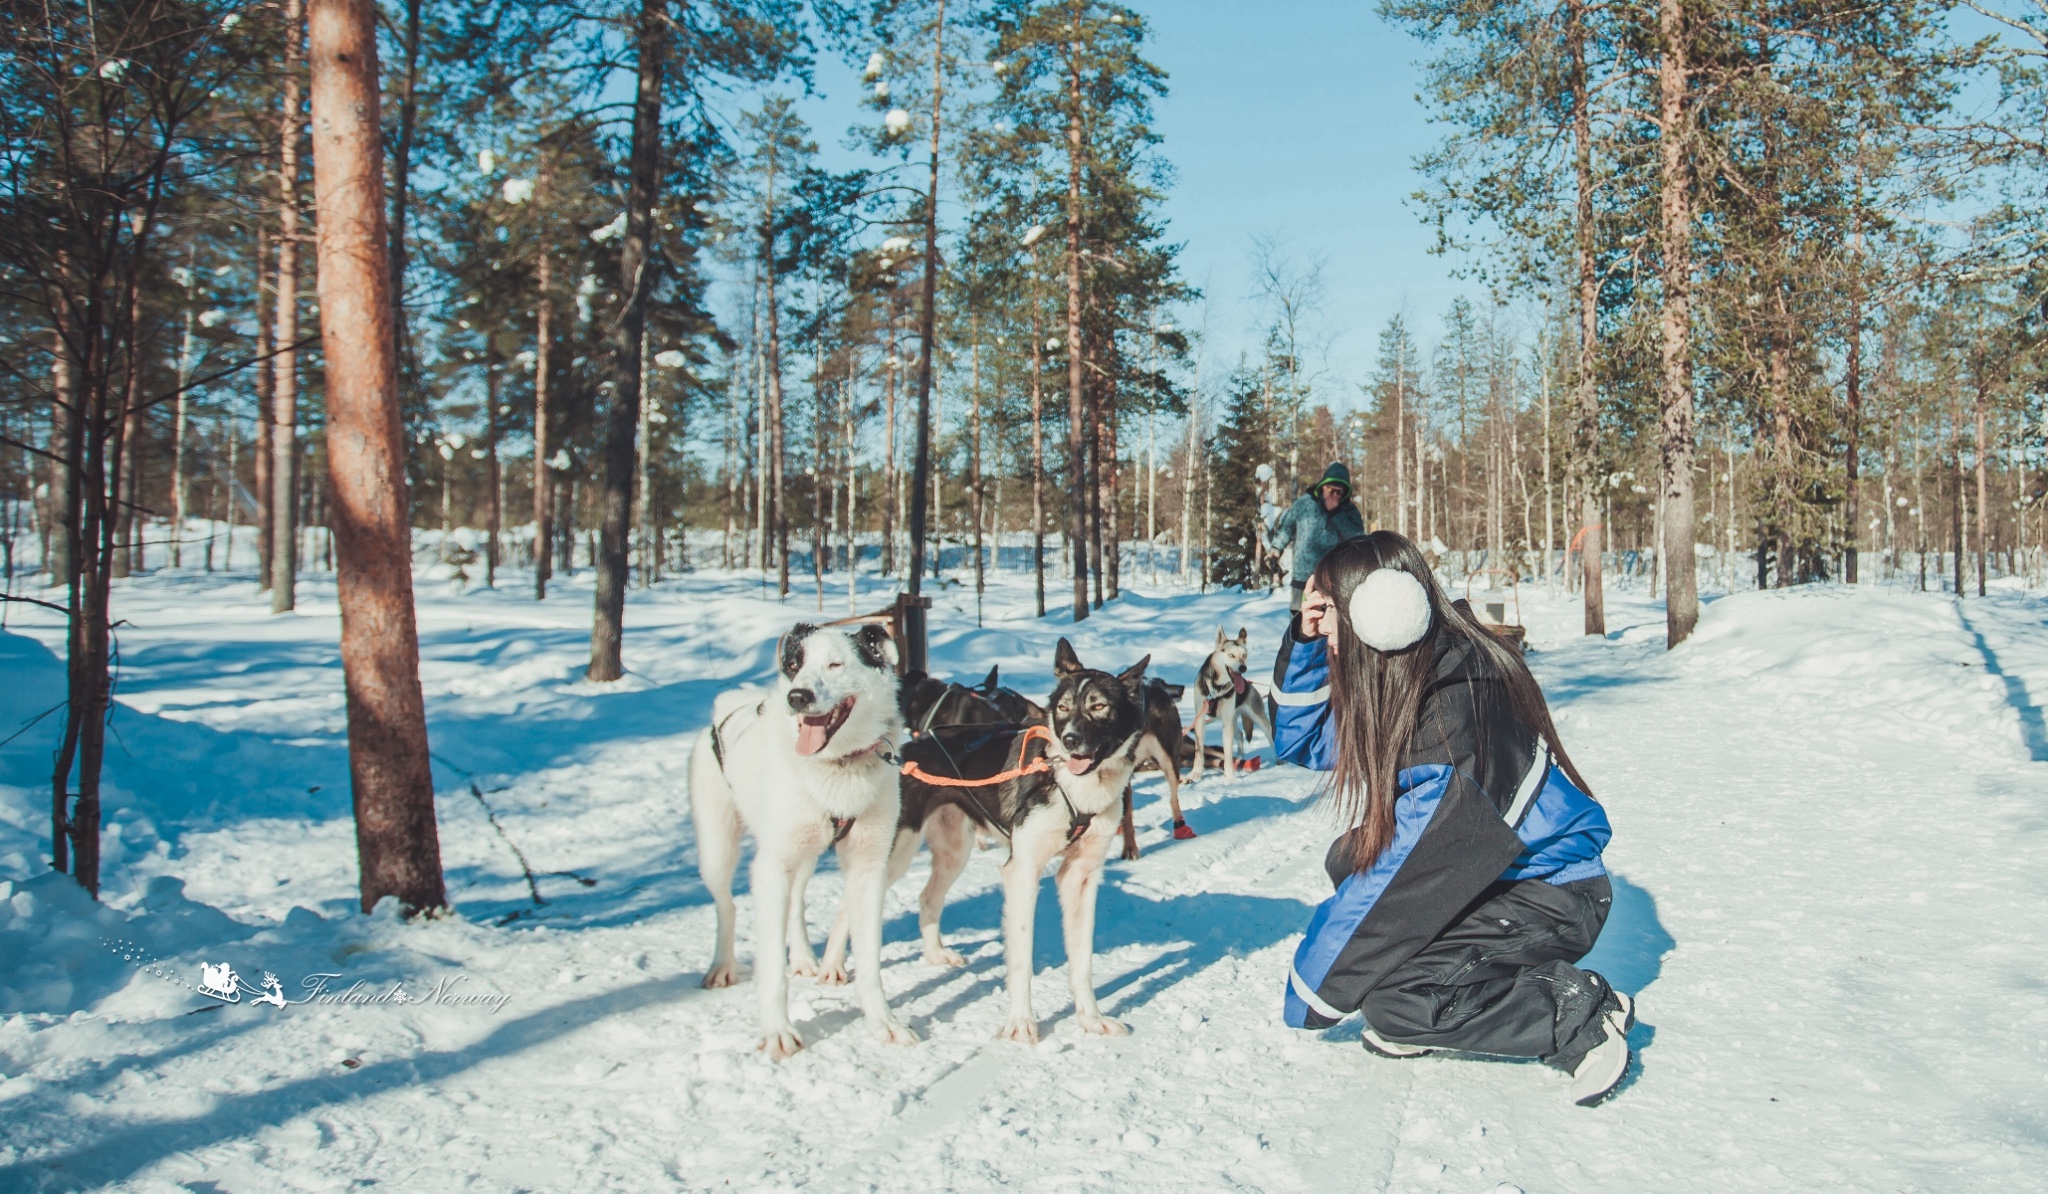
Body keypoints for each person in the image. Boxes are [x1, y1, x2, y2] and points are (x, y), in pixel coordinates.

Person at [1270, 530, 1633, 1106]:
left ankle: (1576, 1015)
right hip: (1502, 880)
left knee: (1395, 1001)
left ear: (1379, 613)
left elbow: (1396, 882)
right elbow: (1306, 741)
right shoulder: (1416, 673)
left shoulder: (1451, 717)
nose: (1323, 623)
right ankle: (1455, 988)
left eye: (1329, 612)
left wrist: (1312, 990)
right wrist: (1306, 640)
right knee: (1349, 858)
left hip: (1553, 898)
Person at [1265, 462, 1365, 611]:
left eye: (1340, 492)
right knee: (1299, 626)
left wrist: (1336, 514)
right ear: (1323, 486)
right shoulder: (1303, 504)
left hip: (1333, 582)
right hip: (1302, 579)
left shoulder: (1349, 511)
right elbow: (1286, 529)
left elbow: (1358, 540)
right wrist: (1275, 550)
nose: (1335, 496)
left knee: (1329, 627)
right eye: (1332, 490)